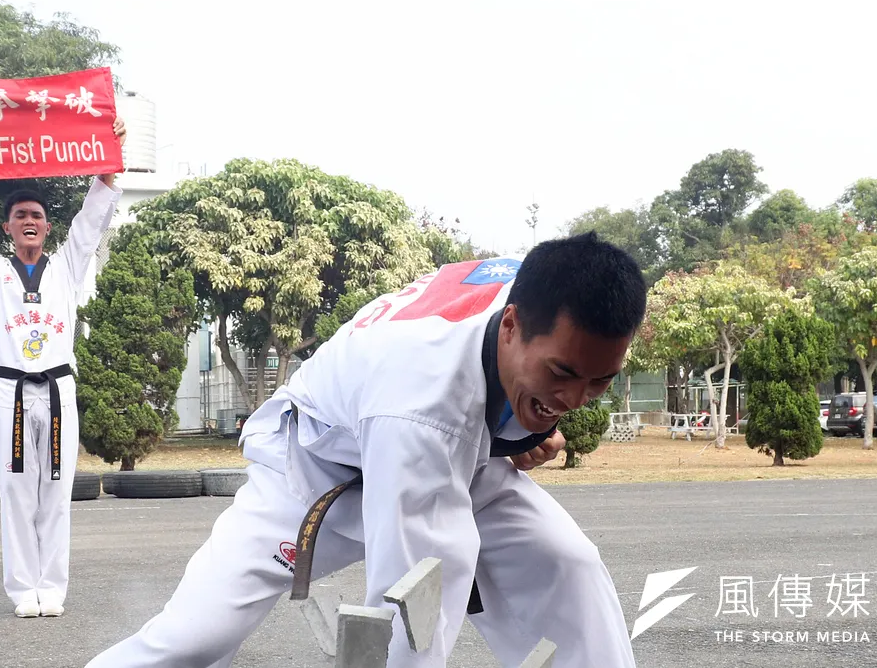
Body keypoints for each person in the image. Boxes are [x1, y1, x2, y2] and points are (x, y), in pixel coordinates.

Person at [84, 232, 647, 668]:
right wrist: (525, 417)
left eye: (599, 381)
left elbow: (512, 385)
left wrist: (526, 419)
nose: (577, 399)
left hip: (458, 460)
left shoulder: (535, 292)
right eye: (562, 374)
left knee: (568, 566)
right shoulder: (420, 402)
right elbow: (418, 597)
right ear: (512, 325)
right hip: (314, 475)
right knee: (191, 639)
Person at [0, 117, 126, 618]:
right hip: (11, 394)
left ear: (47, 226)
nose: (29, 220)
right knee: (16, 494)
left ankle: (51, 588)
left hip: (57, 394)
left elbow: (91, 219)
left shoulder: (66, 268)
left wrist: (111, 156)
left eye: (36, 214)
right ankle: (22, 590)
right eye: (19, 215)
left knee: (55, 493)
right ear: (8, 227)